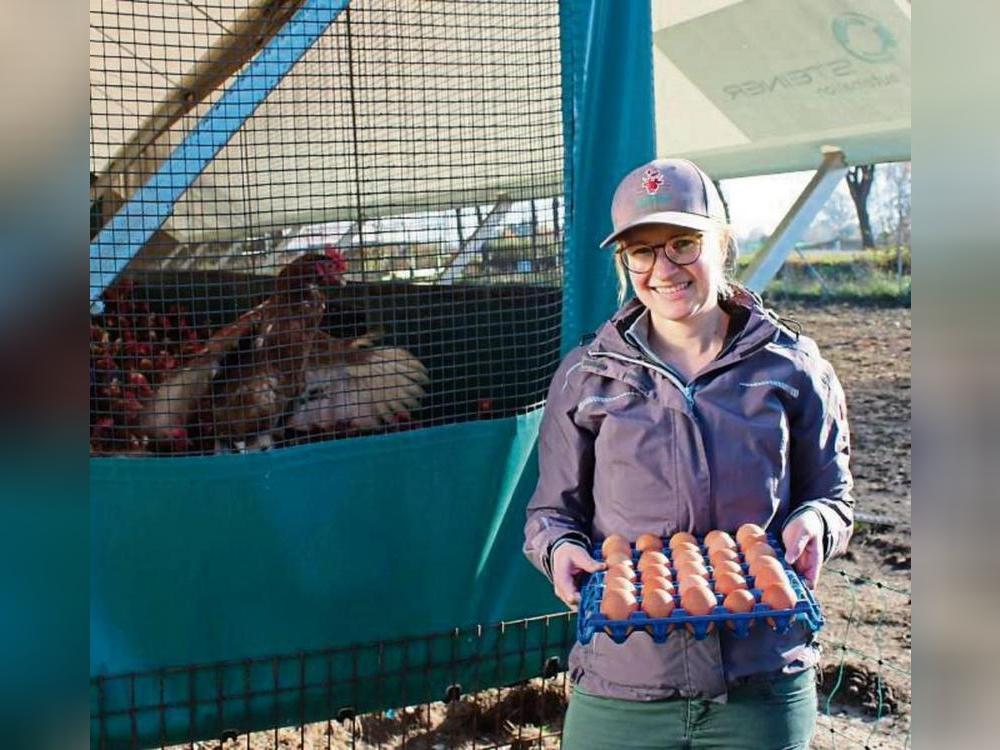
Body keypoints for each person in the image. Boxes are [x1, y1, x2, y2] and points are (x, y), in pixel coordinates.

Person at [523, 158, 854, 749]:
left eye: (683, 243)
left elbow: (832, 495)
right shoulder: (587, 375)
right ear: (625, 263)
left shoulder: (793, 366)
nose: (664, 269)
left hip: (760, 684)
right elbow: (551, 513)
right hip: (625, 685)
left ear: (722, 243)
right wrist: (561, 550)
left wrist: (817, 523)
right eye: (642, 252)